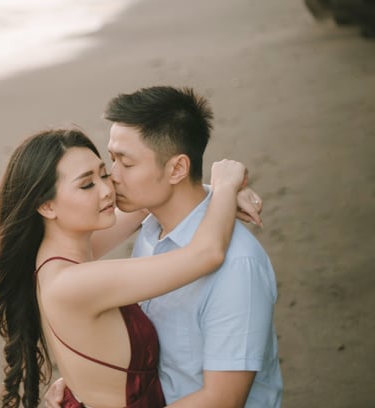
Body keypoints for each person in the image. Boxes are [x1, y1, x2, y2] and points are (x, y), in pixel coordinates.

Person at [0, 127, 259, 408]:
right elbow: (207, 254)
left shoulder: (60, 251)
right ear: (47, 206)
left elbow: (152, 200)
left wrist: (213, 197)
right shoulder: (73, 283)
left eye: (103, 174)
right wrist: (226, 185)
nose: (106, 190)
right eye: (87, 185)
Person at [45, 86, 283, 407]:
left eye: (126, 163)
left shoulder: (238, 266)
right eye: (112, 159)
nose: (112, 177)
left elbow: (223, 400)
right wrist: (90, 382)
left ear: (176, 169)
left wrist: (224, 190)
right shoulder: (150, 226)